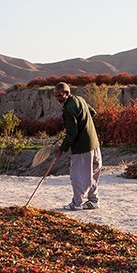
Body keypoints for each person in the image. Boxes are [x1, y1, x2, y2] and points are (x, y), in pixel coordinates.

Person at [52, 82, 103, 211]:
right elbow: (93, 113)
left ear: (67, 93)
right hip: (94, 142)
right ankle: (93, 200)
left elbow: (72, 134)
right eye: (55, 96)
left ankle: (77, 203)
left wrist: (61, 149)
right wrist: (83, 124)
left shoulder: (69, 108)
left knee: (77, 175)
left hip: (82, 146)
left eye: (59, 95)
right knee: (93, 172)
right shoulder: (80, 99)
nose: (57, 98)